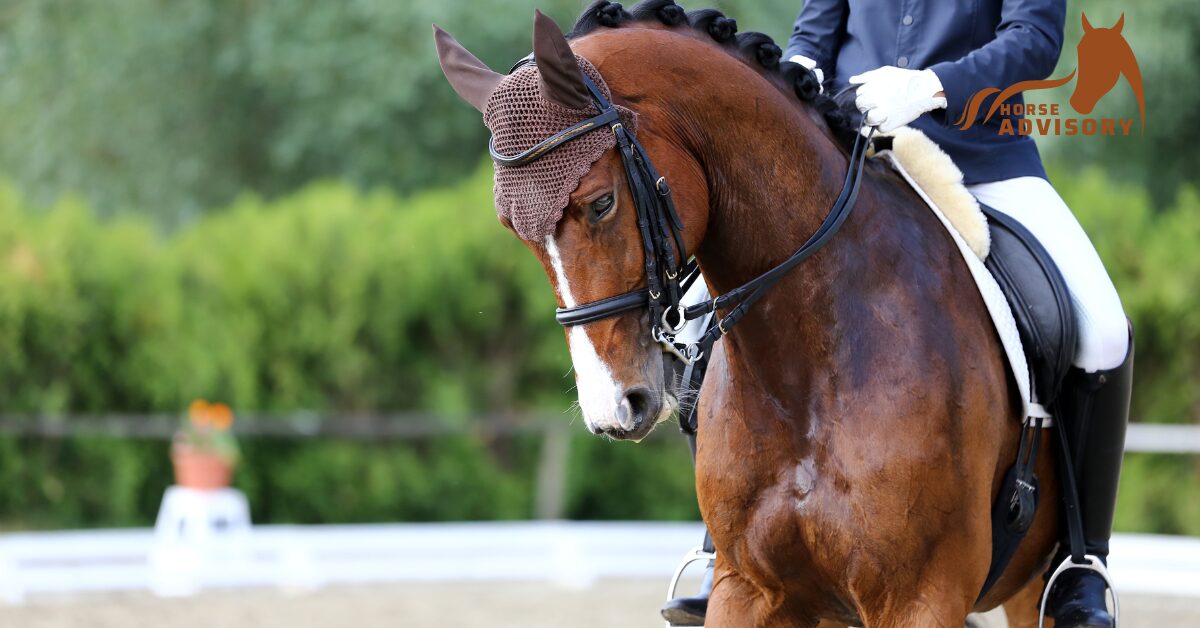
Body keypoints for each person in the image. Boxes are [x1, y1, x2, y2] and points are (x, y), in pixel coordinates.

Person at [663, 2, 1133, 626]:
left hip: (981, 158)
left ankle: (1080, 565)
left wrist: (931, 87)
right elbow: (815, 31)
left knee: (1102, 330)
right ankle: (724, 547)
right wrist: (794, 82)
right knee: (702, 313)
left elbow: (1033, 40)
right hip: (847, 154)